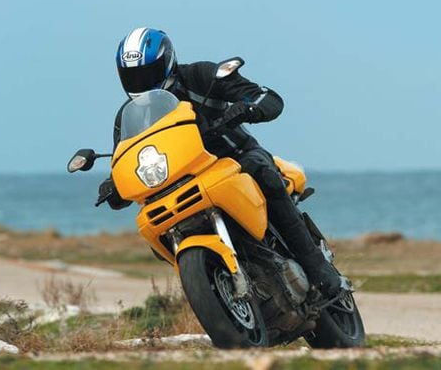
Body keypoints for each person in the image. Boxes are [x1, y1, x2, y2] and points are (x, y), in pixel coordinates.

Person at [99, 27, 340, 296]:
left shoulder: (201, 77)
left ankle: (319, 269)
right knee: (157, 233)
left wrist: (249, 106)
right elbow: (126, 157)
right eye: (132, 76)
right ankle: (211, 287)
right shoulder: (129, 117)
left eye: (148, 73)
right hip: (180, 180)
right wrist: (113, 183)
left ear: (167, 61)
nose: (141, 82)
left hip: (235, 156)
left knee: (264, 175)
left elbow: (266, 97)